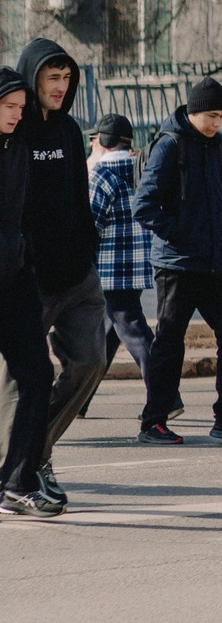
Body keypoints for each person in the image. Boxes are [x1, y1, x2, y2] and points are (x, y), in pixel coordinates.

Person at [0, 38, 106, 509]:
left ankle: (34, 454)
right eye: (52, 78)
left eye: (67, 78)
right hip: (31, 275)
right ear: (32, 77)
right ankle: (17, 472)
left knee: (90, 361)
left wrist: (89, 249)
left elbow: (79, 199)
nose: (61, 87)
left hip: (78, 272)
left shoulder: (69, 131)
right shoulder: (17, 131)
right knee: (23, 377)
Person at [134, 77, 222, 445]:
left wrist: (220, 238)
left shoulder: (216, 146)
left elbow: (219, 194)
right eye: (212, 116)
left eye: (221, 117)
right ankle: (154, 421)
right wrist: (181, 234)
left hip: (214, 263)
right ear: (194, 111)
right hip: (177, 264)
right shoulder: (170, 146)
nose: (217, 124)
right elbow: (144, 206)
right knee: (169, 342)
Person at [82, 113, 176, 420]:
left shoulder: (101, 174)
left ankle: (167, 397)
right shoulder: (142, 171)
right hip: (137, 264)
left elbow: (89, 226)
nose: (90, 146)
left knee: (133, 330)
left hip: (108, 268)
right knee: (107, 335)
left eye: (92, 140)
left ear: (102, 142)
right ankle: (79, 400)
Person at [0, 68, 63, 518]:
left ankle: (17, 482)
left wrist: (26, 253)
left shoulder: (18, 146)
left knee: (37, 374)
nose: (18, 115)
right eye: (9, 107)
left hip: (16, 278)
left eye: (21, 108)